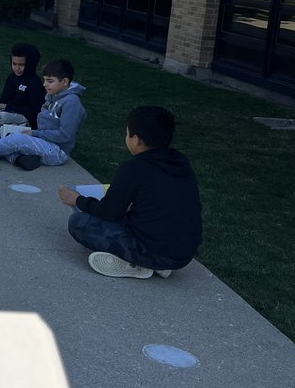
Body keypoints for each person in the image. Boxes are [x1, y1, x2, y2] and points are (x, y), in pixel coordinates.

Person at [58, 106, 202, 279]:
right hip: (183, 254)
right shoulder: (180, 163)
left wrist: (77, 200)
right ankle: (156, 264)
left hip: (154, 250)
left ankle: (137, 264)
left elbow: (109, 212)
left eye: (127, 134)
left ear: (136, 140)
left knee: (78, 222)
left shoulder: (135, 167)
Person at [0, 59, 85, 172]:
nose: (45, 84)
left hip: (56, 151)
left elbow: (65, 136)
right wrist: (34, 134)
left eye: (50, 81)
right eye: (44, 80)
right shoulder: (54, 95)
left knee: (17, 139)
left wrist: (34, 133)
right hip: (42, 140)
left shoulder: (72, 103)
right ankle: (18, 159)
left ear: (64, 82)